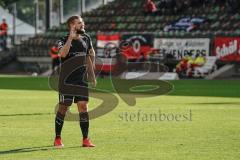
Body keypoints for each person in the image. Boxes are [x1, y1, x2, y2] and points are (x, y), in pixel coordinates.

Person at [54, 15, 96, 148]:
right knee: (64, 107)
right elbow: (62, 54)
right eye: (79, 23)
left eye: (82, 22)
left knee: (83, 107)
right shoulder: (62, 40)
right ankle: (58, 138)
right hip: (67, 81)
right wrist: (71, 39)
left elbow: (89, 55)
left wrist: (92, 74)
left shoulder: (87, 38)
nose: (82, 24)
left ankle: (85, 139)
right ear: (72, 25)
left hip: (81, 80)